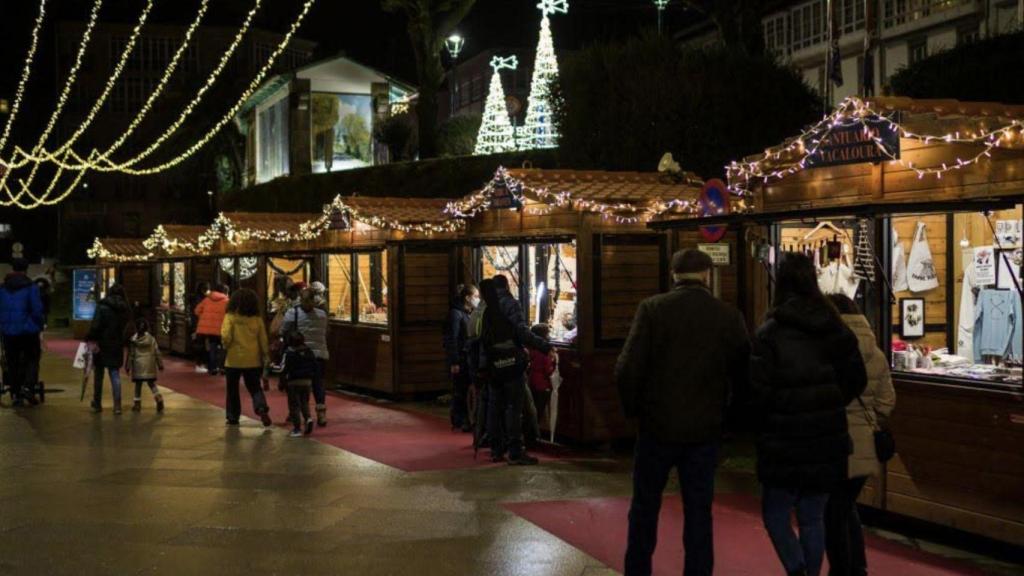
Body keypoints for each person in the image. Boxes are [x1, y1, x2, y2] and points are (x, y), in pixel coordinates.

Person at [615, 249, 751, 576]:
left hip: (656, 428)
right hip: (705, 430)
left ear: (673, 275)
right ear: (707, 275)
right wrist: (731, 423)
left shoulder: (652, 309)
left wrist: (635, 411)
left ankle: (638, 570)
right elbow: (745, 375)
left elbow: (626, 369)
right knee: (699, 513)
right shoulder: (727, 316)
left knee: (645, 508)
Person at [751, 253, 867, 576]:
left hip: (783, 439)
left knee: (775, 514)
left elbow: (758, 392)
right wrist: (829, 402)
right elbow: (857, 379)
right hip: (826, 439)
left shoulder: (769, 333)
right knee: (812, 516)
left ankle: (797, 569)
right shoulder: (834, 327)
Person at [825, 294, 896, 576]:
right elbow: (887, 403)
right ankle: (857, 566)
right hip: (865, 442)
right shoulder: (877, 353)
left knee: (833, 512)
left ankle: (843, 569)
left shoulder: (828, 350)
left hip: (834, 442)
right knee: (845, 505)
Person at [482, 274, 553, 465]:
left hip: (493, 362)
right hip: (512, 362)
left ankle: (496, 449)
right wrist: (544, 346)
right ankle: (515, 450)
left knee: (494, 406)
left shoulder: (485, 306)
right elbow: (521, 332)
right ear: (506, 286)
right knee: (514, 407)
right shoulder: (511, 304)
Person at [221, 288, 272, 427]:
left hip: (233, 360)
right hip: (253, 360)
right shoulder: (257, 320)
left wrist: (225, 346)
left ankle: (233, 416)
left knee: (232, 390)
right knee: (255, 387)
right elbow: (263, 340)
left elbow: (226, 336)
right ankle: (261, 407)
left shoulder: (230, 317)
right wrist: (266, 355)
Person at [281, 288, 330, 427]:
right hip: (319, 353)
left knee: (298, 384)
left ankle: (296, 412)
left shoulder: (293, 313)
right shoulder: (322, 315)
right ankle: (321, 413)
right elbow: (326, 332)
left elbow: (283, 330)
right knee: (318, 383)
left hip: (300, 355)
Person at [0, 258, 45, 406]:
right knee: (32, 358)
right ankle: (28, 387)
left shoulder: (2, 288)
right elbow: (37, 310)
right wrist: (39, 325)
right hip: (28, 331)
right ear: (26, 270)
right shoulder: (31, 287)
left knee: (12, 362)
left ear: (12, 269)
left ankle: (16, 393)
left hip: (8, 332)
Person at [87, 283, 133, 415]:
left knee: (99, 375)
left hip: (102, 344)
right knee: (114, 374)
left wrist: (90, 338)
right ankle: (117, 405)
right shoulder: (125, 309)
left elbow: (96, 325)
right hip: (116, 344)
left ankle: (97, 403)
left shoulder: (102, 306)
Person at [444, 283, 479, 432]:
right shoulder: (456, 314)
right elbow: (452, 338)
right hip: (461, 358)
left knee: (464, 389)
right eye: (475, 296)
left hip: (467, 357)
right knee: (460, 390)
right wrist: (454, 361)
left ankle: (464, 419)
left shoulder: (467, 312)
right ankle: (459, 419)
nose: (477, 299)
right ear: (467, 297)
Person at [277, 331, 318, 437]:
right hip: (307, 381)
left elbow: (283, 368)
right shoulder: (309, 351)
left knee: (294, 405)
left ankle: (297, 428)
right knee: (305, 402)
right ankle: (308, 418)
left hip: (293, 382)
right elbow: (315, 365)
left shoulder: (289, 353)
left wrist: (281, 381)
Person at [127, 318, 166, 413]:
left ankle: (137, 404)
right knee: (151, 383)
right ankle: (158, 398)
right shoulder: (151, 339)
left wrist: (128, 366)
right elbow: (157, 352)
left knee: (138, 385)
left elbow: (131, 354)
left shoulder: (133, 340)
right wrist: (160, 364)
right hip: (149, 365)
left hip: (138, 365)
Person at [194, 283, 229, 375]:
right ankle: (222, 368)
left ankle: (212, 368)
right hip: (221, 328)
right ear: (225, 292)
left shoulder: (207, 299)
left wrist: (205, 317)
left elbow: (197, 311)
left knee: (212, 347)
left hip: (207, 329)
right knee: (223, 348)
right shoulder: (227, 301)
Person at [528, 324, 557, 426]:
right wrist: (554, 363)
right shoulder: (544, 352)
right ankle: (534, 433)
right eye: (547, 333)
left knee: (533, 409)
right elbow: (548, 371)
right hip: (542, 385)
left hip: (532, 382)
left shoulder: (531, 349)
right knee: (539, 410)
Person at [189, 281, 210, 371]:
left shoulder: (196, 299)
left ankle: (200, 363)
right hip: (200, 324)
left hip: (197, 324)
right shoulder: (201, 300)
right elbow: (197, 313)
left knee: (200, 344)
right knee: (201, 344)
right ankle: (200, 363)